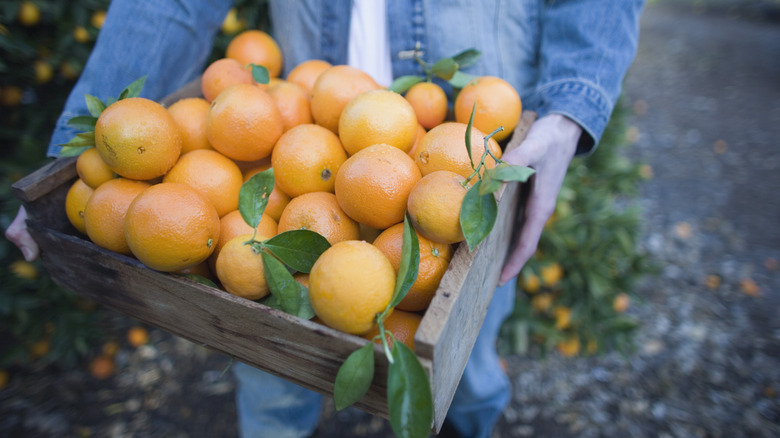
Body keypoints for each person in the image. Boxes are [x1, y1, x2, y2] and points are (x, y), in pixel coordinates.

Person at [4, 0, 646, 436]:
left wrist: (571, 109)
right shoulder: (265, 161)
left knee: (465, 365)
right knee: (272, 353)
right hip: (301, 120)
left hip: (474, 151)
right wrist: (69, 163)